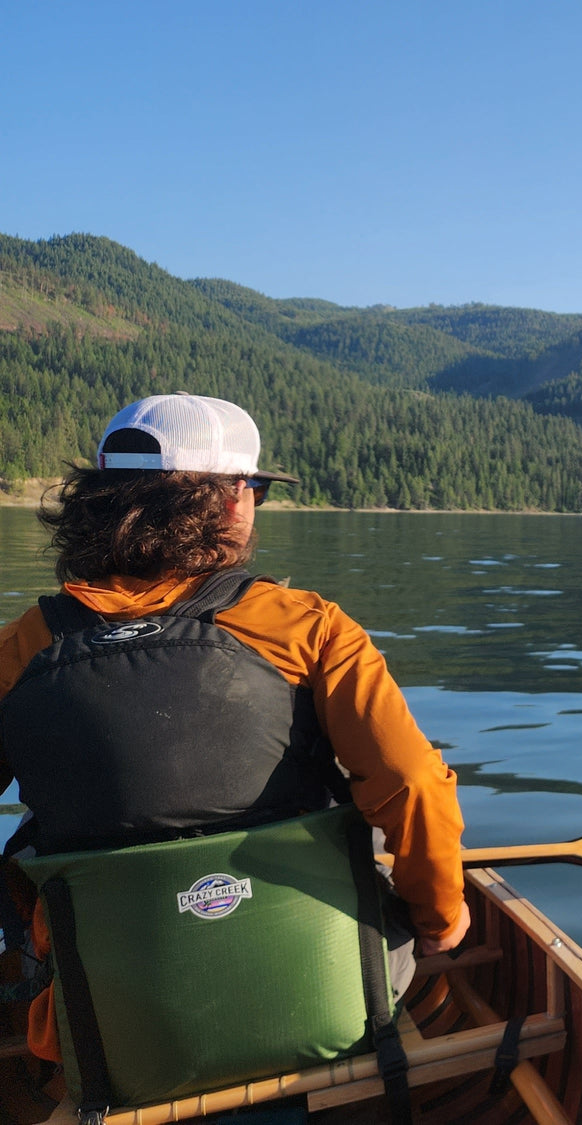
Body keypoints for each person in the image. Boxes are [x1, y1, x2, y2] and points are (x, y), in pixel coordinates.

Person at [0, 393, 469, 1065]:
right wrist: (442, 919)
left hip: (103, 1021)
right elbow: (414, 784)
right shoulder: (310, 628)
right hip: (315, 992)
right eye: (256, 489)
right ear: (227, 501)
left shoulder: (21, 647)